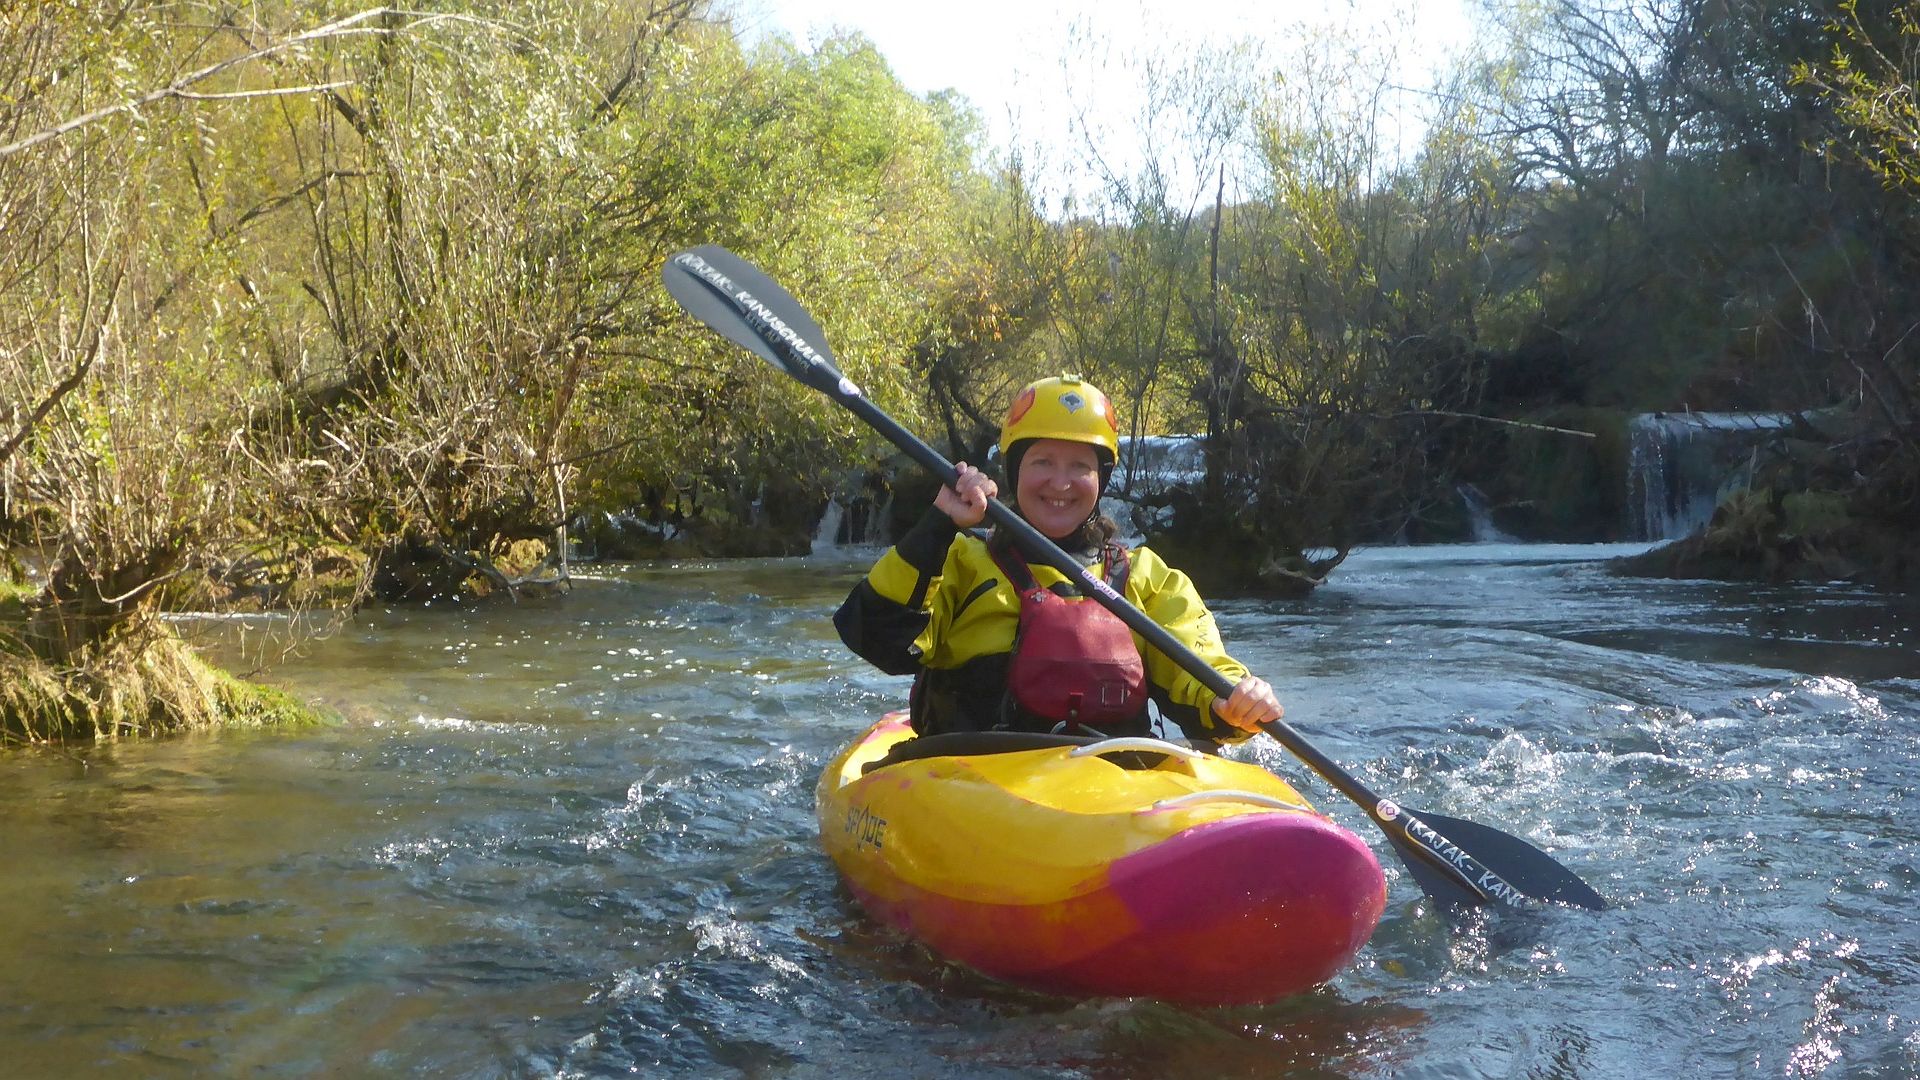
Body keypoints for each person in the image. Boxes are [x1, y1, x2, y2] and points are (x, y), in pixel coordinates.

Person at [834, 375, 1284, 743]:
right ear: (1014, 472)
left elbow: (1200, 665)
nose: (1061, 482)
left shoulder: (1145, 577)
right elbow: (874, 634)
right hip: (973, 787)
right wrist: (937, 526)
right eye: (1043, 462)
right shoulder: (960, 561)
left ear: (1101, 480)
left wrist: (1235, 699)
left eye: (1080, 466)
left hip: (1104, 792)